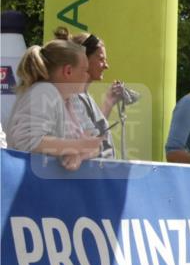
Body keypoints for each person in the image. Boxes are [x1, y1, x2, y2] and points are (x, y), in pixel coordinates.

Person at [7, 36, 103, 170]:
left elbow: (95, 144)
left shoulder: (73, 98)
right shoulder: (43, 92)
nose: (88, 75)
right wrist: (77, 147)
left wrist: (79, 155)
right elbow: (26, 141)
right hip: (31, 185)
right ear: (68, 71)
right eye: (85, 70)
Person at [54, 28, 117, 158]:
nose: (106, 65)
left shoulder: (83, 96)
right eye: (101, 59)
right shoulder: (73, 97)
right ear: (84, 59)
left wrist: (109, 102)